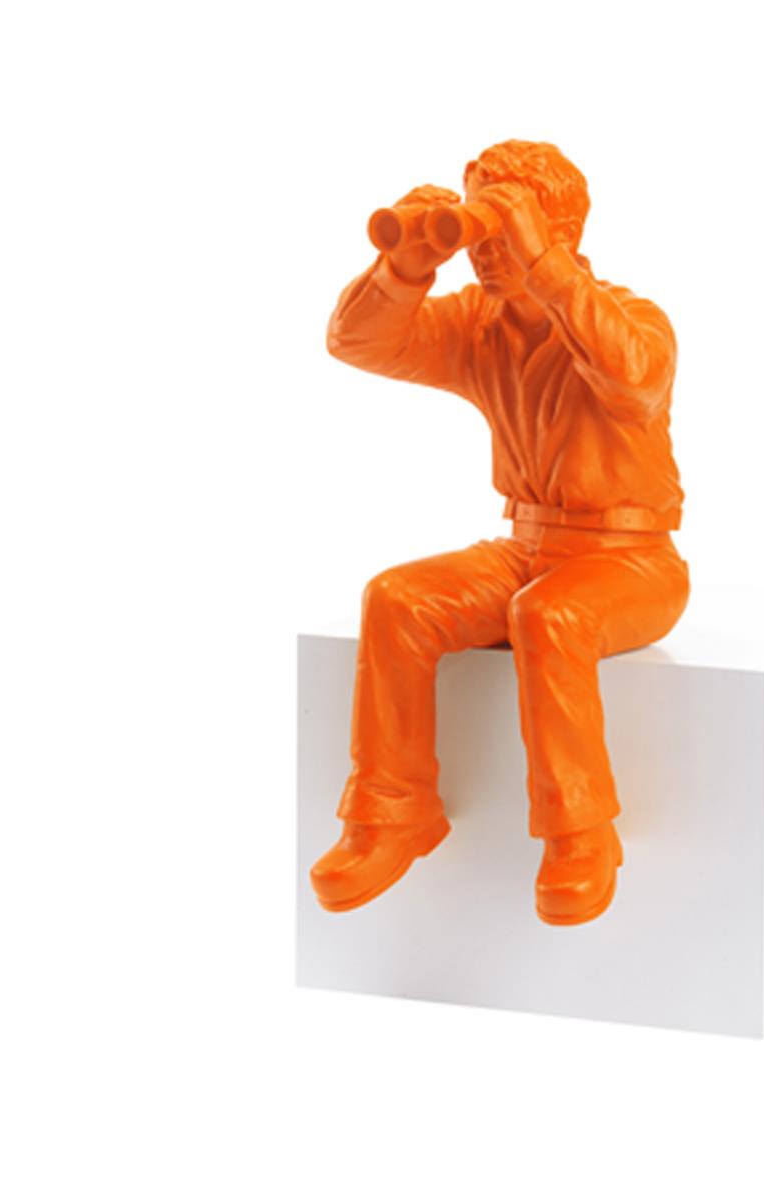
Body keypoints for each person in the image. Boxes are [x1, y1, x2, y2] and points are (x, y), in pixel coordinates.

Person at [309, 139, 689, 925]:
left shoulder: (631, 317)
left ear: (561, 233)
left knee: (551, 616)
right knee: (398, 599)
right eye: (474, 227)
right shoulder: (479, 325)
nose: (482, 249)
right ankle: (393, 813)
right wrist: (403, 268)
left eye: (499, 227)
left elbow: (634, 380)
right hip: (527, 546)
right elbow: (358, 342)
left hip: (633, 561)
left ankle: (581, 833)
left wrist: (547, 269)